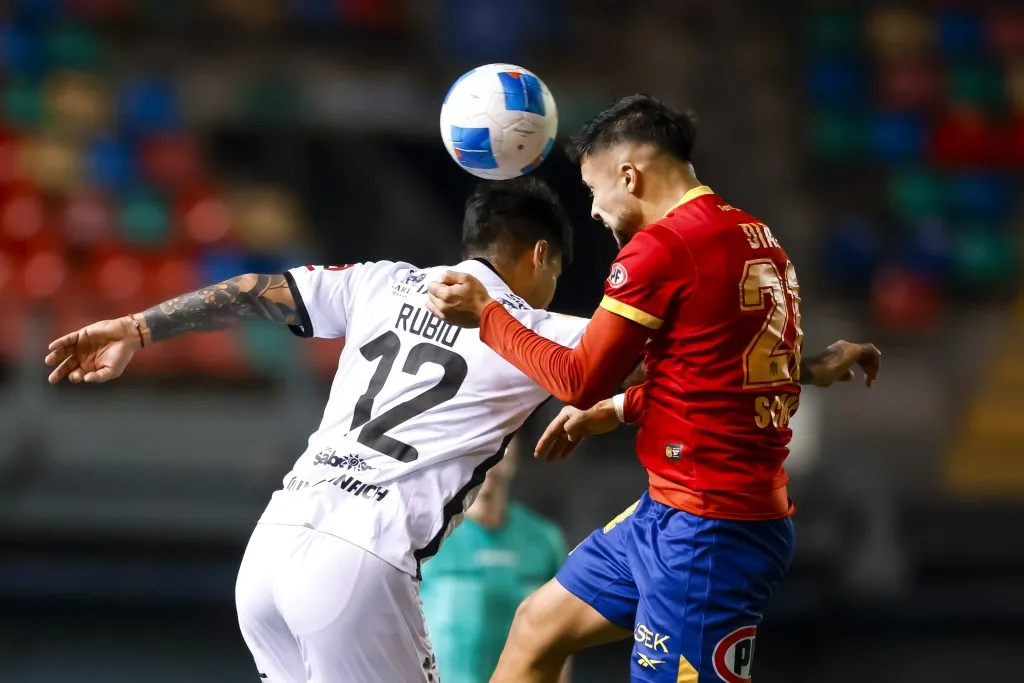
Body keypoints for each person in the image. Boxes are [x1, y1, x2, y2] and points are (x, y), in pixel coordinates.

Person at [43, 177, 594, 683]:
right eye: (556, 274)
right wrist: (610, 404)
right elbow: (638, 359)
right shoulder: (541, 330)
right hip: (364, 561)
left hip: (272, 545)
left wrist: (138, 327)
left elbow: (251, 290)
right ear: (541, 256)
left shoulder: (382, 281)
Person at [425, 94, 882, 683]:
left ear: (629, 176)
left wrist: (487, 314)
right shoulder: (754, 235)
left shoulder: (662, 248)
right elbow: (723, 373)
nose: (593, 211)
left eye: (592, 191)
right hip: (668, 510)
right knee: (537, 627)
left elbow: (577, 379)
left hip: (710, 532)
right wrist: (620, 408)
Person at [420, 437, 572, 683]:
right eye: (480, 448)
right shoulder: (428, 536)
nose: (489, 462)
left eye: (501, 445)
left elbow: (562, 629)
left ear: (514, 457)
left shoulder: (544, 539)